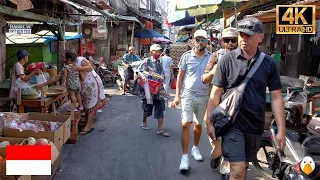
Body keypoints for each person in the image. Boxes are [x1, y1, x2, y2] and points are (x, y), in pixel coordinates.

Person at [205, 17, 286, 180]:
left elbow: (276, 97)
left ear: (260, 37)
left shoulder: (269, 64)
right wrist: (208, 121)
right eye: (241, 35)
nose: (244, 39)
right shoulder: (226, 61)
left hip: (255, 124)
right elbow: (215, 93)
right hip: (231, 123)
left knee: (244, 168)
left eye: (249, 35)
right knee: (237, 168)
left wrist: (281, 130)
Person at [35, 50, 106, 135]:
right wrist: (43, 84)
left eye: (63, 57)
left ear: (68, 59)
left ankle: (89, 125)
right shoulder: (66, 66)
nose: (61, 58)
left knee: (90, 104)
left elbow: (90, 67)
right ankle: (88, 122)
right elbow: (56, 77)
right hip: (83, 85)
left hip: (92, 83)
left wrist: (78, 68)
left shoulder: (80, 60)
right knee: (86, 104)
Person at [170, 29, 211, 171]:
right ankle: (184, 157)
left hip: (204, 96)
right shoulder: (186, 56)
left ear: (207, 41)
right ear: (192, 41)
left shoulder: (211, 58)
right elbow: (180, 77)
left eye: (203, 40)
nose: (200, 42)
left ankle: (195, 148)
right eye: (197, 39)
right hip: (188, 95)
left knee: (198, 125)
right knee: (185, 124)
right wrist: (177, 96)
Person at [202, 27, 239, 180]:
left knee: (232, 136)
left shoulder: (245, 56)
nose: (230, 44)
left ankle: (227, 169)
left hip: (237, 104)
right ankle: (217, 153)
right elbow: (204, 78)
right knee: (214, 134)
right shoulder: (216, 56)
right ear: (221, 41)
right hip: (217, 103)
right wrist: (214, 71)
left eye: (233, 40)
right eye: (226, 40)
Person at [138, 44, 170, 137]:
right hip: (149, 88)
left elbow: (162, 73)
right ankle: (144, 122)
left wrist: (162, 78)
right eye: (156, 51)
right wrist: (145, 76)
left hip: (159, 88)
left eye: (159, 51)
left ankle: (160, 129)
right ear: (151, 52)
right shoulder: (147, 61)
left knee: (160, 107)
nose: (158, 53)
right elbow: (139, 70)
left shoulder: (160, 62)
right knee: (147, 108)